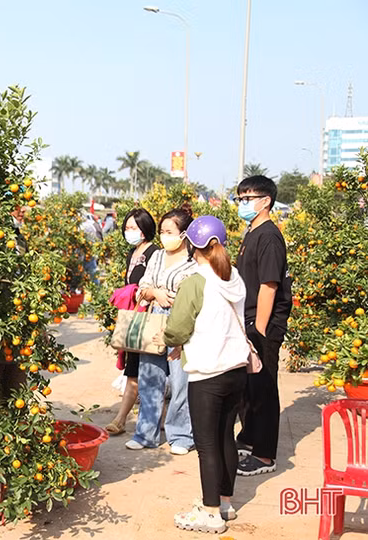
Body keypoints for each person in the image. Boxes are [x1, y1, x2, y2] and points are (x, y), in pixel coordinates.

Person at [156, 216, 250, 534]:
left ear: (192, 246)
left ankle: (210, 513)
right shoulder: (233, 277)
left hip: (208, 373)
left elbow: (179, 326)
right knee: (225, 437)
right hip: (236, 369)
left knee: (207, 444)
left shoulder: (196, 281)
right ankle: (224, 503)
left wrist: (168, 340)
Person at [126, 205, 197, 454]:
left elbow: (196, 294)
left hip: (182, 321)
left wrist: (175, 301)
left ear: (184, 233)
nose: (165, 236)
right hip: (155, 318)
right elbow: (143, 286)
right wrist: (154, 292)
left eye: (169, 231)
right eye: (162, 231)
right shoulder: (157, 256)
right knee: (149, 377)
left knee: (180, 381)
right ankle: (146, 433)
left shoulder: (195, 259)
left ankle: (181, 436)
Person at [233, 175, 292, 476]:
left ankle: (265, 455)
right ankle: (249, 437)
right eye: (240, 198)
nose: (243, 203)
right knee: (248, 386)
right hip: (247, 320)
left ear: (266, 200)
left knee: (264, 386)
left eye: (249, 198)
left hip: (262, 323)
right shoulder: (252, 231)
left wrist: (260, 327)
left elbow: (269, 286)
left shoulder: (269, 235)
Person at [105, 208, 158, 436]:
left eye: (133, 228)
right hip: (133, 317)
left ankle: (123, 418)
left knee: (144, 370)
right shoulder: (133, 253)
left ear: (145, 229)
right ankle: (123, 418)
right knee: (134, 367)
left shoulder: (155, 253)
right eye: (126, 228)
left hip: (148, 318)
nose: (128, 231)